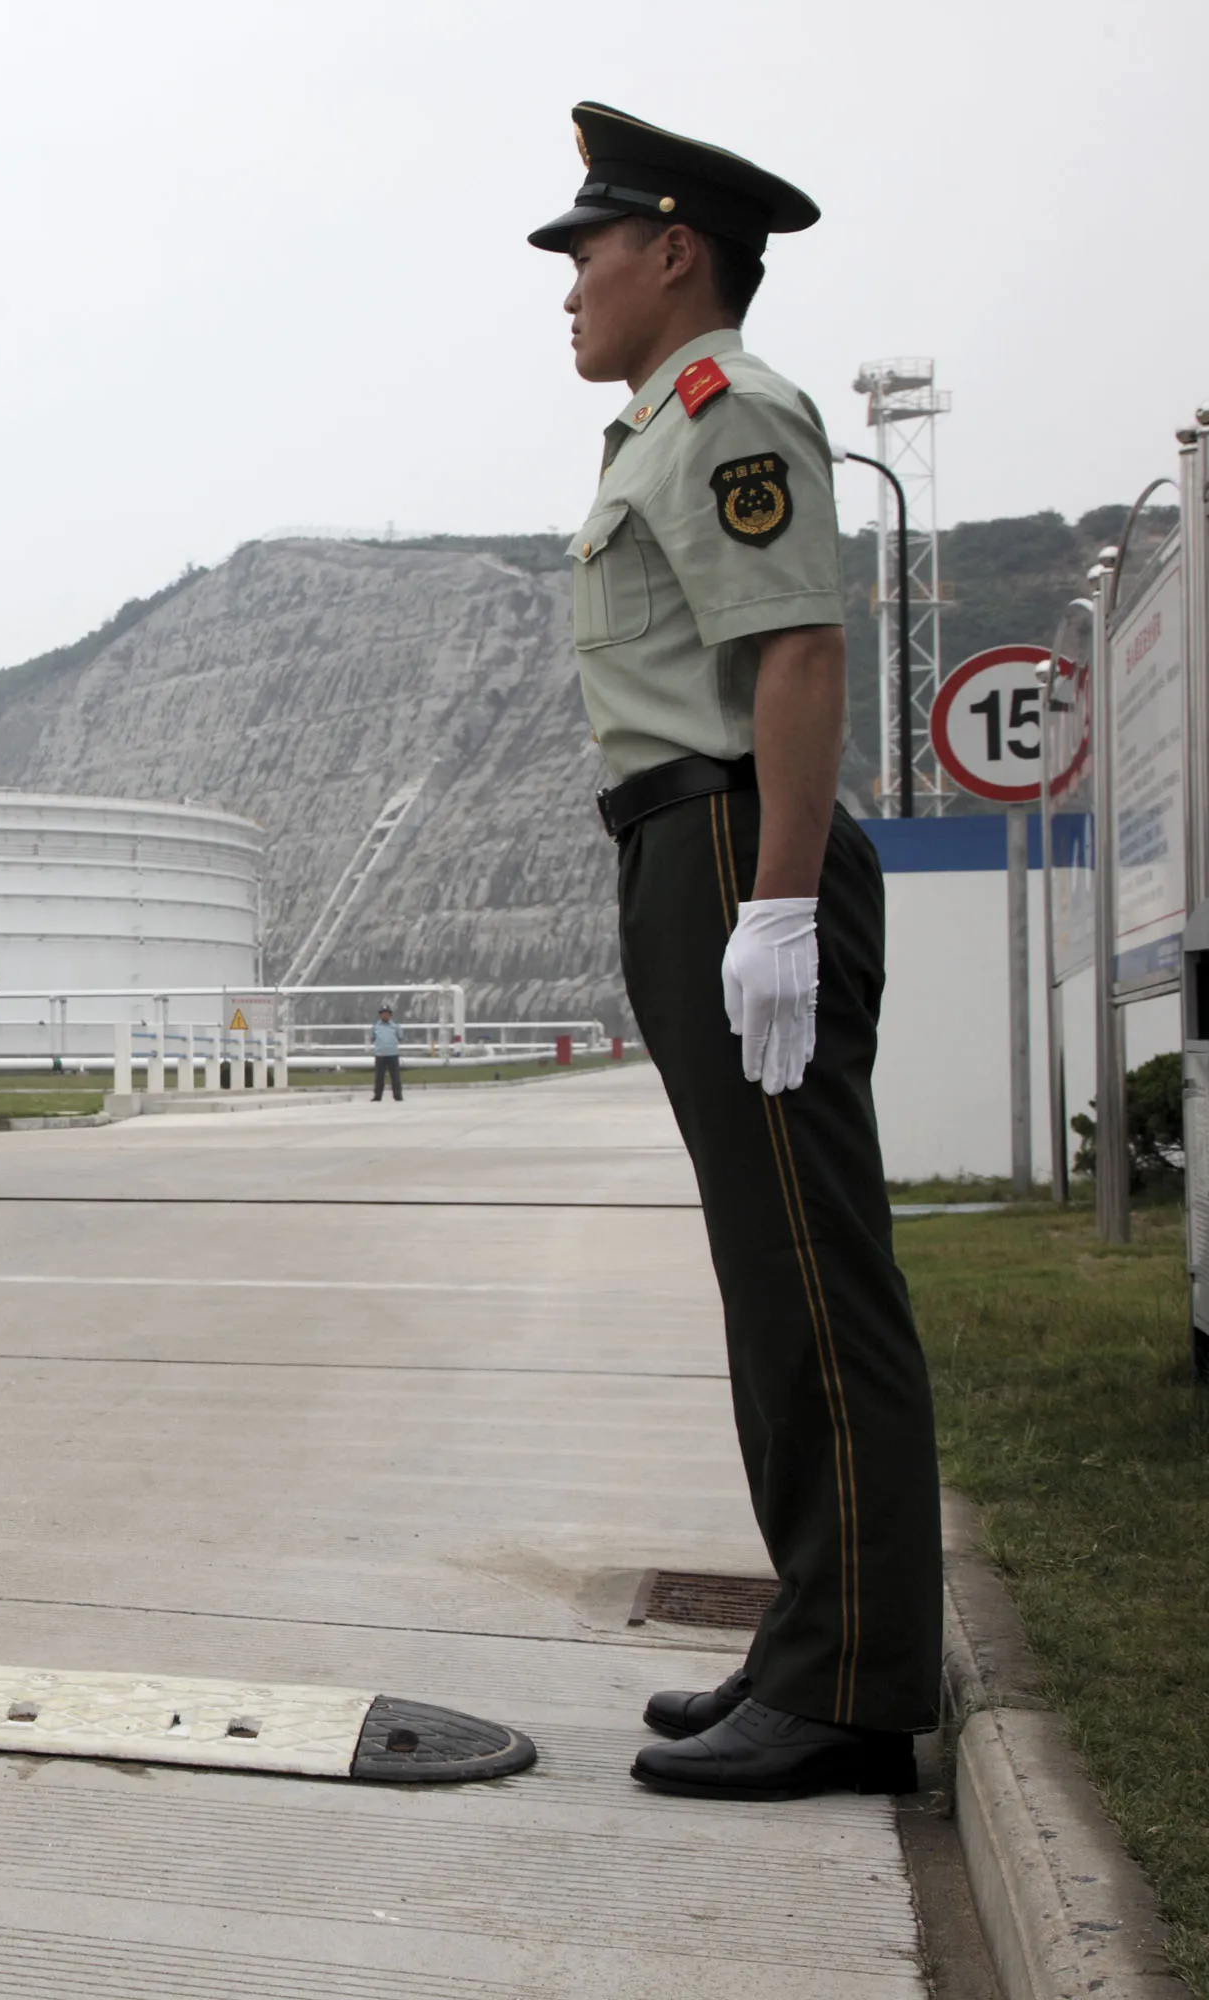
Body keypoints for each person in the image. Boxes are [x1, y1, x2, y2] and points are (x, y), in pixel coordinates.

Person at [534, 103, 938, 1799]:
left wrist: (775, 902)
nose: (568, 286)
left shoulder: (730, 410)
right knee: (767, 1267)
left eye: (589, 251)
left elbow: (792, 658)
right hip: (682, 847)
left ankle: (850, 1688)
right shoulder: (657, 430)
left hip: (728, 845)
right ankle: (813, 1642)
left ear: (675, 251)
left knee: (807, 1271)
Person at [369, 1006, 403, 1101]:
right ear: (380, 1015)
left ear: (390, 1014)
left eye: (387, 1013)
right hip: (380, 1055)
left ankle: (397, 1095)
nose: (385, 1015)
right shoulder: (375, 1027)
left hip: (393, 1054)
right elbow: (372, 1038)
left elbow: (400, 1037)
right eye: (383, 1013)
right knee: (379, 1077)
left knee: (395, 1076)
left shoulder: (395, 1026)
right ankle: (377, 1095)